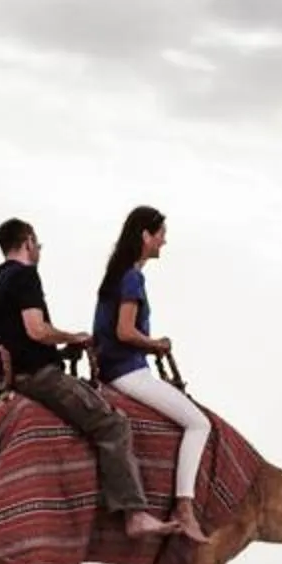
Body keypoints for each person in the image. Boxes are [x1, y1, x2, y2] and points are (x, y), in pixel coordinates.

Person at [0, 218, 164, 538]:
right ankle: (134, 513)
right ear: (28, 241)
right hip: (38, 378)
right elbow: (36, 330)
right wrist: (72, 337)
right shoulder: (25, 277)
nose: (38, 250)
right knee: (112, 423)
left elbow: (17, 342)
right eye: (37, 244)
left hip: (7, 382)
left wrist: (61, 349)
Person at [92, 205, 210, 543]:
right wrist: (155, 343)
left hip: (118, 369)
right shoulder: (132, 277)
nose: (164, 242)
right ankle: (184, 508)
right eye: (160, 235)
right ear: (145, 235)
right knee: (198, 423)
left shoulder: (118, 274)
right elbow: (125, 331)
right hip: (128, 372)